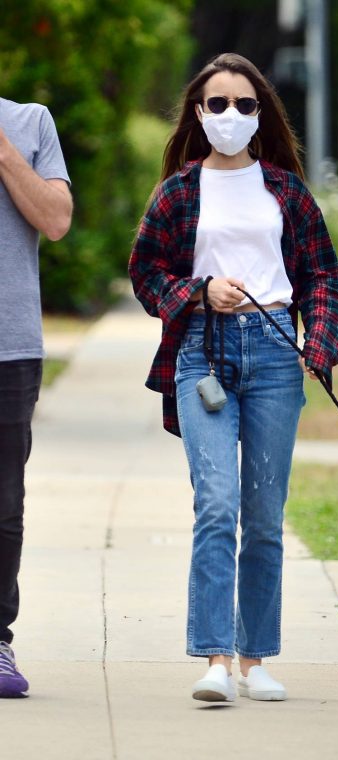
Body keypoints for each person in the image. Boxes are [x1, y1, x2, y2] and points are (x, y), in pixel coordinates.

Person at [129, 53, 338, 703]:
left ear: (261, 116)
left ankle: (255, 662)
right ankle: (216, 661)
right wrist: (198, 291)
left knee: (264, 515)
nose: (230, 115)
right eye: (217, 104)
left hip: (278, 356)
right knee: (217, 504)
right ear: (198, 112)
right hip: (203, 353)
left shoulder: (285, 191)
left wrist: (321, 346)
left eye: (244, 105)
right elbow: (146, 273)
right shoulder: (177, 192)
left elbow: (324, 276)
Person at [0, 97, 72, 697]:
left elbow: (55, 219)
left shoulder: (30, 123)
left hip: (10, 345)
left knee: (3, 505)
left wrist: (2, 152)